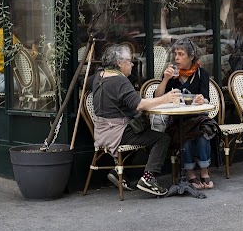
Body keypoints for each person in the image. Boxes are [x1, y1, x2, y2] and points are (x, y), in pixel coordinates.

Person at [92, 44, 182, 196]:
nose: (132, 64)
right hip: (117, 133)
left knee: (142, 132)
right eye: (129, 61)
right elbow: (139, 104)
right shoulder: (120, 81)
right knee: (162, 138)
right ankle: (148, 178)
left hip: (101, 131)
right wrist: (166, 98)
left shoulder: (98, 76)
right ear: (119, 63)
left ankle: (117, 171)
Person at [155, 38, 218, 189]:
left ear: (191, 57)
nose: (176, 57)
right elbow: (157, 98)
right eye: (175, 54)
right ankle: (190, 174)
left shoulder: (202, 74)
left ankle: (204, 171)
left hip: (198, 118)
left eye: (181, 54)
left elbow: (206, 97)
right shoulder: (173, 75)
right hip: (177, 121)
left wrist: (201, 99)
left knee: (203, 132)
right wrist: (165, 79)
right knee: (186, 134)